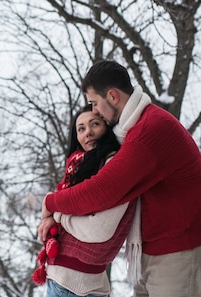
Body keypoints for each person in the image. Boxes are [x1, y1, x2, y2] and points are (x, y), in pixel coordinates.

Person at [40, 60, 201, 297]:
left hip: (183, 253)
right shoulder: (133, 129)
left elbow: (100, 191)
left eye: (95, 103)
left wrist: (51, 203)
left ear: (113, 96)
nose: (94, 110)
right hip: (156, 254)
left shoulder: (149, 131)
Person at [34, 104, 137, 297]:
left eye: (95, 124)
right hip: (63, 280)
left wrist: (57, 215)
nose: (88, 132)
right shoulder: (78, 166)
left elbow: (97, 229)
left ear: (107, 127)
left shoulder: (114, 165)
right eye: (81, 129)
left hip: (76, 286)